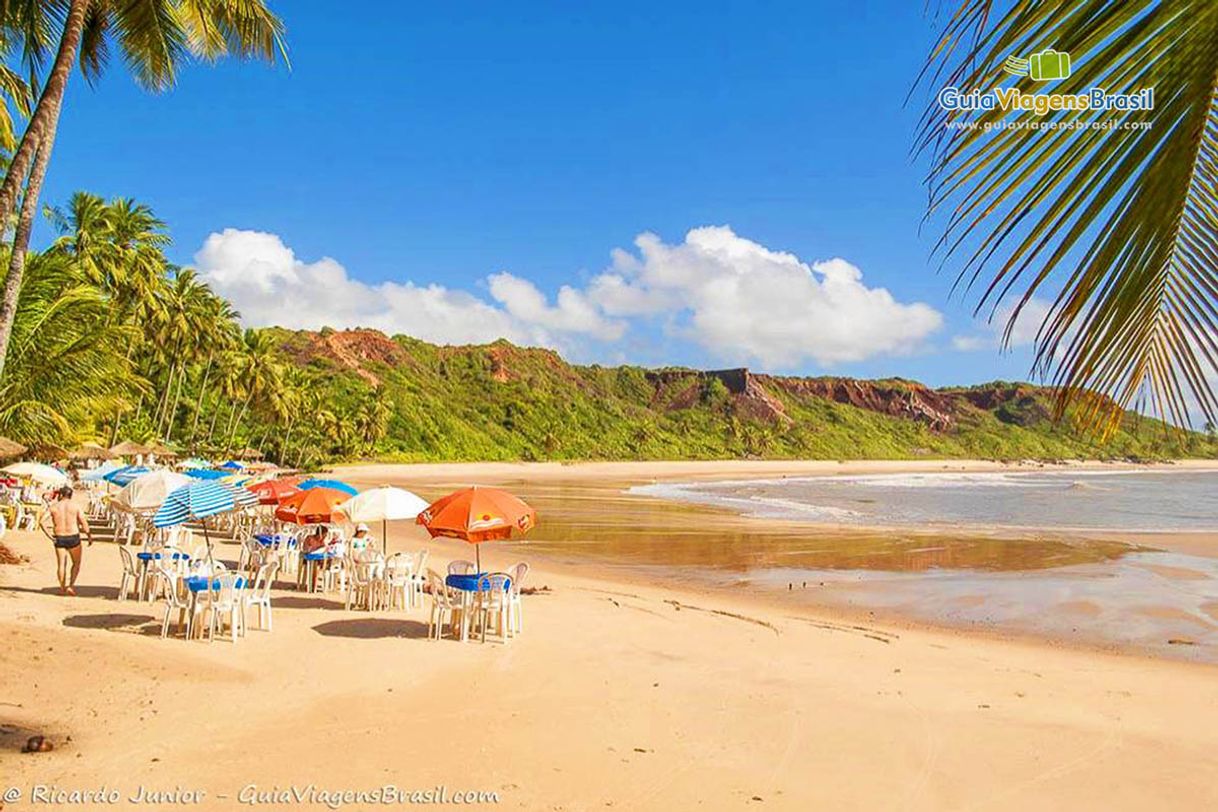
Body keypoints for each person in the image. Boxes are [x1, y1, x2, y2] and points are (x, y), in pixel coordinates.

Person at [42, 486, 92, 596]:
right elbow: (84, 523)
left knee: (61, 565)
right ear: (71, 495)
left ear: (60, 495)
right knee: (76, 563)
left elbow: (41, 521)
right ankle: (71, 585)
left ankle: (62, 588)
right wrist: (89, 536)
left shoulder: (54, 507)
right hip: (73, 536)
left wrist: (49, 535)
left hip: (59, 537)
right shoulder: (76, 506)